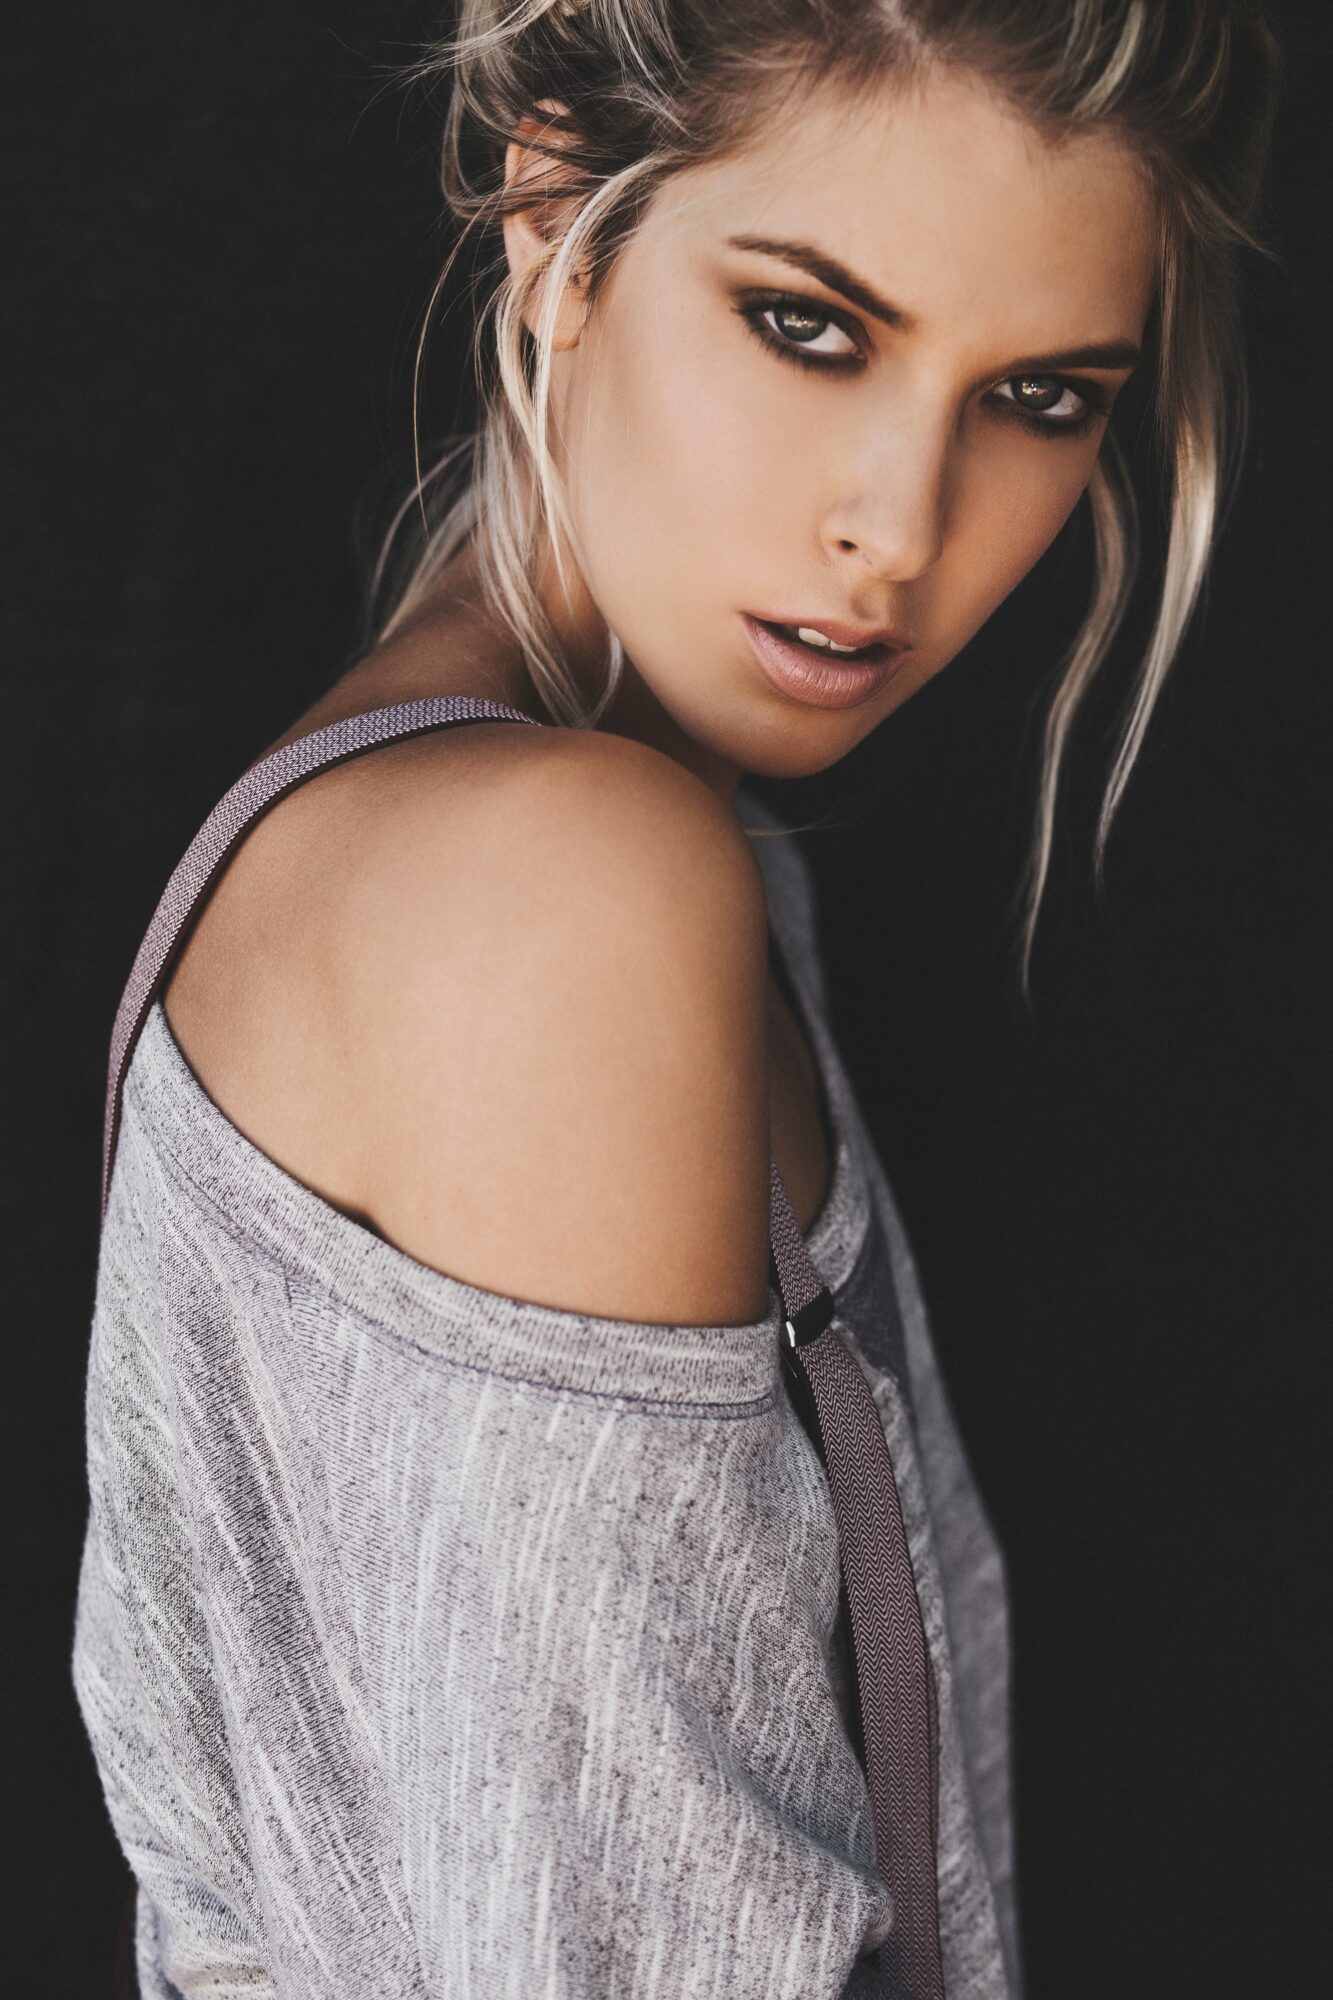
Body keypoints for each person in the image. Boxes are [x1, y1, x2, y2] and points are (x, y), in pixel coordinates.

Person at [72, 3, 1280, 1995]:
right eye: (810, 326)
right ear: (555, 218)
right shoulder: (557, 885)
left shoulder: (644, 862)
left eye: (1042, 397)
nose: (896, 526)